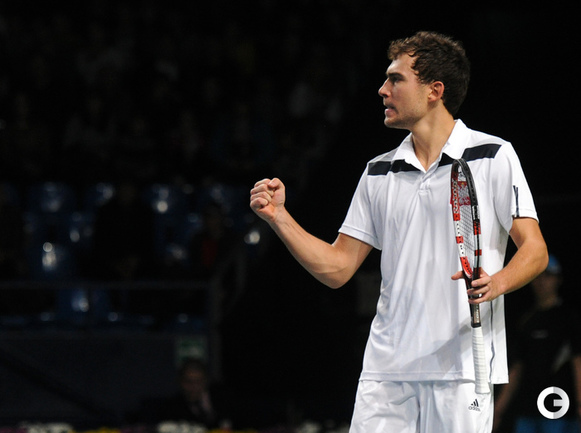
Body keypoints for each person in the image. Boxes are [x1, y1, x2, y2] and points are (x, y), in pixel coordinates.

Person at [249, 31, 548, 433]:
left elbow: (535, 250)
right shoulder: (378, 171)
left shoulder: (491, 155)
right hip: (385, 373)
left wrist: (497, 283)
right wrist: (279, 218)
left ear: (434, 91)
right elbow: (337, 269)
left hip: (462, 369)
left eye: (395, 79)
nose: (382, 89)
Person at [493, 255, 581, 433]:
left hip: (560, 407)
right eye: (538, 276)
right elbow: (517, 367)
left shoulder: (569, 319)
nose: (541, 281)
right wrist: (498, 410)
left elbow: (577, 362)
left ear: (558, 279)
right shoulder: (526, 321)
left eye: (548, 275)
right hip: (527, 407)